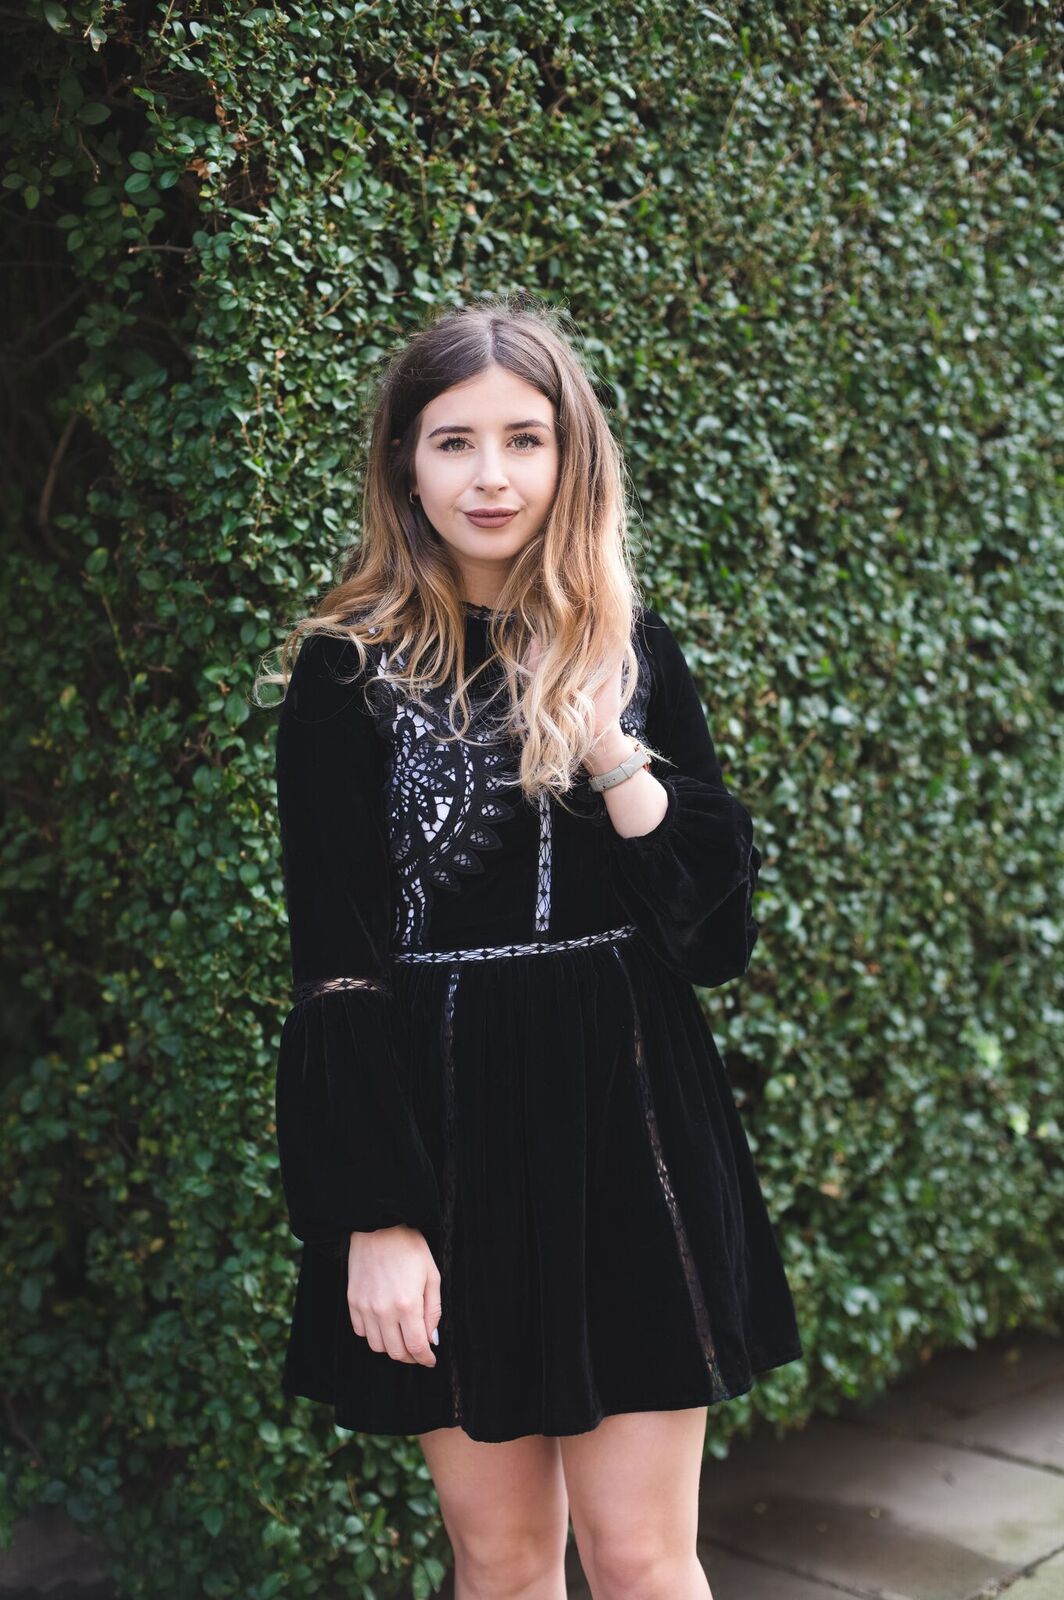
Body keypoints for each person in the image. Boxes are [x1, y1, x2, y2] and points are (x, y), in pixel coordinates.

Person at [260, 294, 803, 1600]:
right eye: (454, 441)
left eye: (524, 439)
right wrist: (378, 1216)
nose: (491, 476)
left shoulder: (632, 649)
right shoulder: (345, 676)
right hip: (448, 1135)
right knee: (501, 1562)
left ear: (571, 458)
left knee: (643, 1558)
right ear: (405, 463)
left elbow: (713, 934)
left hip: (631, 1123)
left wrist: (609, 743)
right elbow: (336, 959)